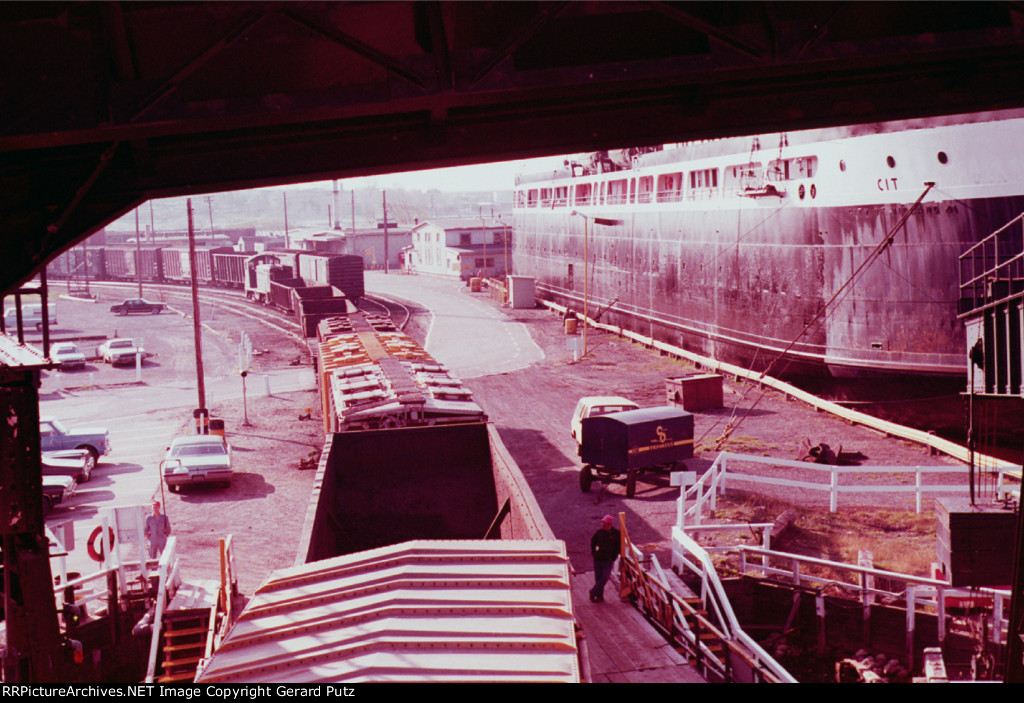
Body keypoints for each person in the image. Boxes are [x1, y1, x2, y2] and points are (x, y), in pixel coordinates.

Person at [590, 514, 620, 602]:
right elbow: (593, 542)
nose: (603, 526)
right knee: (598, 578)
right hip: (598, 559)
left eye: (605, 524)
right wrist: (594, 552)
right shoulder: (599, 532)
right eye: (602, 523)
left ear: (609, 524)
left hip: (608, 560)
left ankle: (593, 591)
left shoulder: (616, 534)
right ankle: (599, 596)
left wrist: (613, 557)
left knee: (605, 577)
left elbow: (618, 547)